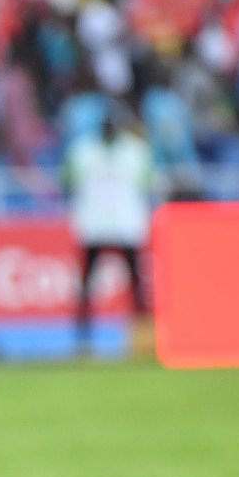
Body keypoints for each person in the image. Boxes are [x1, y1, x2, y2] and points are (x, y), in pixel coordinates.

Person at [63, 109, 155, 353]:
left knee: (137, 285)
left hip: (125, 223)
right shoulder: (83, 150)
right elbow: (68, 180)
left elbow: (68, 182)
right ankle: (83, 339)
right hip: (95, 223)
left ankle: (143, 337)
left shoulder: (135, 151)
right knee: (87, 285)